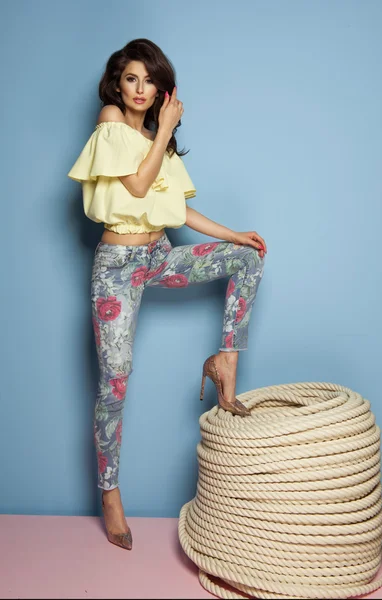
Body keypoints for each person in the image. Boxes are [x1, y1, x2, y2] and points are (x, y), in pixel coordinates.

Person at [68, 38, 267, 551]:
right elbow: (135, 186)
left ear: (161, 88)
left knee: (247, 258)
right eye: (132, 78)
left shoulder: (161, 140)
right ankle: (109, 492)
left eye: (149, 80)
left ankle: (225, 362)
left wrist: (233, 235)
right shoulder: (110, 119)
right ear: (119, 82)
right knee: (114, 381)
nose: (139, 89)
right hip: (117, 266)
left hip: (158, 253)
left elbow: (176, 212)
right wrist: (168, 129)